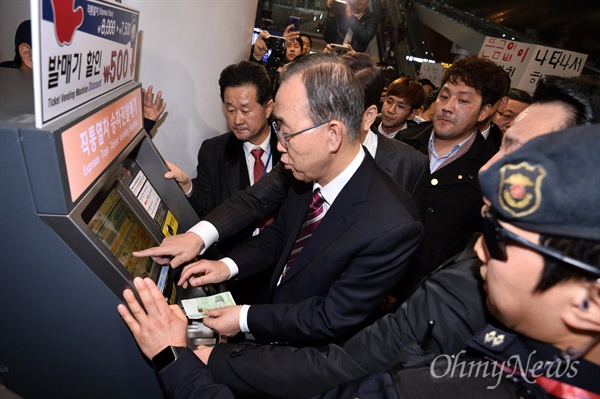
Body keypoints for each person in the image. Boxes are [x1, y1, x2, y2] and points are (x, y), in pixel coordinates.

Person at [117, 76, 600, 399]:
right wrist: (219, 262)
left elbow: (343, 348)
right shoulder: (303, 171)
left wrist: (183, 359)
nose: (477, 248)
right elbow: (269, 220)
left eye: (498, 240)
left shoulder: (468, 377)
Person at [175, 54, 422, 346]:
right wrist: (227, 266)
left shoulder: (393, 225)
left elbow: (330, 318)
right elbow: (280, 235)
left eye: (287, 133)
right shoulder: (305, 172)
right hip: (269, 327)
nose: (279, 146)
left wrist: (244, 318)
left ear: (333, 135)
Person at [396, 56, 502, 295]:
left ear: (484, 111)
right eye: (444, 96)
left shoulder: (490, 169)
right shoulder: (405, 142)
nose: (447, 106)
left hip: (426, 294)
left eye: (463, 100)